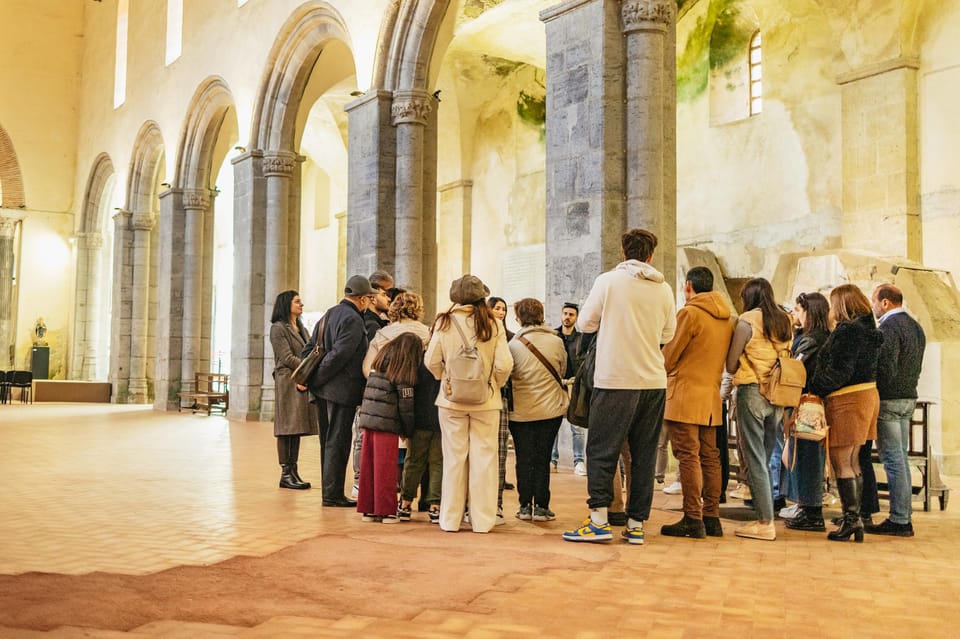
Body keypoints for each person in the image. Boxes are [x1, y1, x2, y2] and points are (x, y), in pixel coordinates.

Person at [562, 228, 676, 545]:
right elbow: (668, 333)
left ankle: (599, 521)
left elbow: (585, 324)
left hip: (615, 379)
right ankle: (637, 524)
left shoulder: (608, 282)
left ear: (623, 252)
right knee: (643, 455)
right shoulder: (664, 289)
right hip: (653, 381)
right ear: (651, 255)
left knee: (601, 450)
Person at [426, 275, 513, 533]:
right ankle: (483, 522)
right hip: (486, 401)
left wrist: (446, 379)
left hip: (451, 401)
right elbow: (505, 364)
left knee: (453, 458)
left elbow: (431, 360)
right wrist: (492, 384)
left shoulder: (444, 322)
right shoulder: (493, 324)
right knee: (484, 460)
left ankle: (449, 520)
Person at [659, 267, 734, 538]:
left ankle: (692, 517)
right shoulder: (727, 318)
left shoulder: (689, 313)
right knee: (710, 456)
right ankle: (711, 516)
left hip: (684, 395)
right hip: (711, 396)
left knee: (687, 456)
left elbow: (669, 356)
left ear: (688, 285)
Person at [808, 284, 882, 542]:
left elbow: (840, 370)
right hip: (865, 396)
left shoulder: (848, 332)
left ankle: (851, 521)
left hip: (847, 399)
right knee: (853, 460)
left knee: (842, 461)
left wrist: (815, 387)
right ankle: (856, 519)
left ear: (841, 305)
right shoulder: (868, 332)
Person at [724, 277, 793, 541]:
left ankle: (765, 522)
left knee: (754, 459)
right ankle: (765, 516)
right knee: (764, 458)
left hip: (752, 391)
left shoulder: (747, 321)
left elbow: (731, 364)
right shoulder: (785, 320)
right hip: (777, 394)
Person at [304, 275, 373, 507]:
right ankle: (332, 494)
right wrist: (321, 377)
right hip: (341, 390)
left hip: (324, 390)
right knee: (338, 441)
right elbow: (341, 354)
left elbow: (309, 347)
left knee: (328, 440)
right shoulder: (353, 319)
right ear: (362, 299)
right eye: (369, 299)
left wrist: (315, 381)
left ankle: (329, 491)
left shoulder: (330, 313)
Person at [864, 284, 925, 537]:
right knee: (900, 457)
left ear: (885, 303)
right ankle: (903, 516)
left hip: (889, 399)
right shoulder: (915, 326)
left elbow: (886, 366)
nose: (873, 307)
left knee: (893, 460)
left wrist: (876, 388)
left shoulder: (888, 328)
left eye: (874, 301)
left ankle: (900, 520)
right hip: (908, 396)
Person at [508, 298, 569, 522]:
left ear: (519, 317)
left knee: (524, 458)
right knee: (543, 457)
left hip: (521, 411)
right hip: (550, 410)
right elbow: (562, 369)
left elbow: (508, 373)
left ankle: (525, 506)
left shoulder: (513, 345)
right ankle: (542, 506)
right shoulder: (556, 341)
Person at [356, 332, 421, 523]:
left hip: (369, 421)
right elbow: (406, 406)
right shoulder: (403, 371)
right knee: (386, 469)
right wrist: (407, 431)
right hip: (388, 423)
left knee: (369, 467)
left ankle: (369, 509)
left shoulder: (381, 361)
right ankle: (386, 510)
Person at [783, 292, 832, 532]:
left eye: (798, 310)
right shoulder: (816, 336)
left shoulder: (813, 339)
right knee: (804, 455)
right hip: (811, 403)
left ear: (809, 312)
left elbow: (796, 367)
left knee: (808, 456)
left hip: (808, 404)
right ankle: (807, 506)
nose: (794, 314)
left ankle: (812, 512)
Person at [268, 290, 318, 490]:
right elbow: (287, 357)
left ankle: (294, 470)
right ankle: (285, 473)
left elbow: (308, 350)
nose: (301, 304)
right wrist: (307, 370)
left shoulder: (301, 328)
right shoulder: (278, 329)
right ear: (286, 304)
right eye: (297, 301)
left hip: (300, 378)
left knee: (295, 428)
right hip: (288, 380)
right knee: (286, 427)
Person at [352, 270, 395, 499]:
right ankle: (359, 480)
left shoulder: (378, 321)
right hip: (368, 388)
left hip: (373, 388)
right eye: (386, 292)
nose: (390, 298)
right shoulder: (369, 323)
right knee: (361, 434)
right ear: (373, 293)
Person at [551, 302, 586, 476]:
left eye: (571, 314)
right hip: (556, 385)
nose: (567, 317)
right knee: (553, 424)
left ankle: (579, 461)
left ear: (576, 317)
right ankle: (552, 460)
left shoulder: (581, 338)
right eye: (565, 313)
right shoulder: (553, 336)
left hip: (574, 385)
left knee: (577, 426)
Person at [487, 295, 514, 523]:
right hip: (487, 395)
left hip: (499, 397)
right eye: (497, 308)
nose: (501, 312)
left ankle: (495, 504)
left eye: (504, 309)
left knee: (499, 452)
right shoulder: (485, 333)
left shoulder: (510, 337)